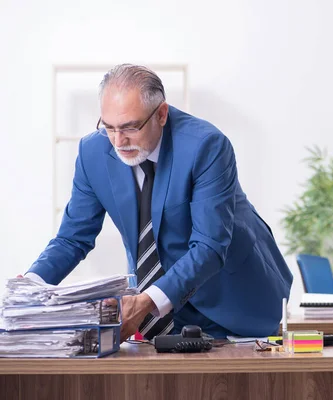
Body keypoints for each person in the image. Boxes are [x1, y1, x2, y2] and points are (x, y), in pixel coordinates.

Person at [25, 64, 293, 340]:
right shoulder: (92, 152)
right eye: (109, 127)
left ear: (161, 114)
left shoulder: (206, 146)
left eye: (130, 127)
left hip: (232, 301)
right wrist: (28, 288)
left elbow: (209, 245)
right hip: (157, 308)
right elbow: (72, 238)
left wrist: (146, 302)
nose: (118, 141)